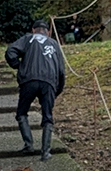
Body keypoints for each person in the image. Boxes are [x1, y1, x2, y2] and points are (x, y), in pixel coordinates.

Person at [4, 18, 66, 161]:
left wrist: (18, 65)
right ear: (48, 32)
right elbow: (61, 71)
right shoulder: (54, 44)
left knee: (22, 113)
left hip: (29, 81)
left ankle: (28, 144)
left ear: (33, 30)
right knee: (47, 117)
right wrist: (57, 90)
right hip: (49, 82)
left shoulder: (28, 39)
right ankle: (45, 152)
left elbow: (10, 51)